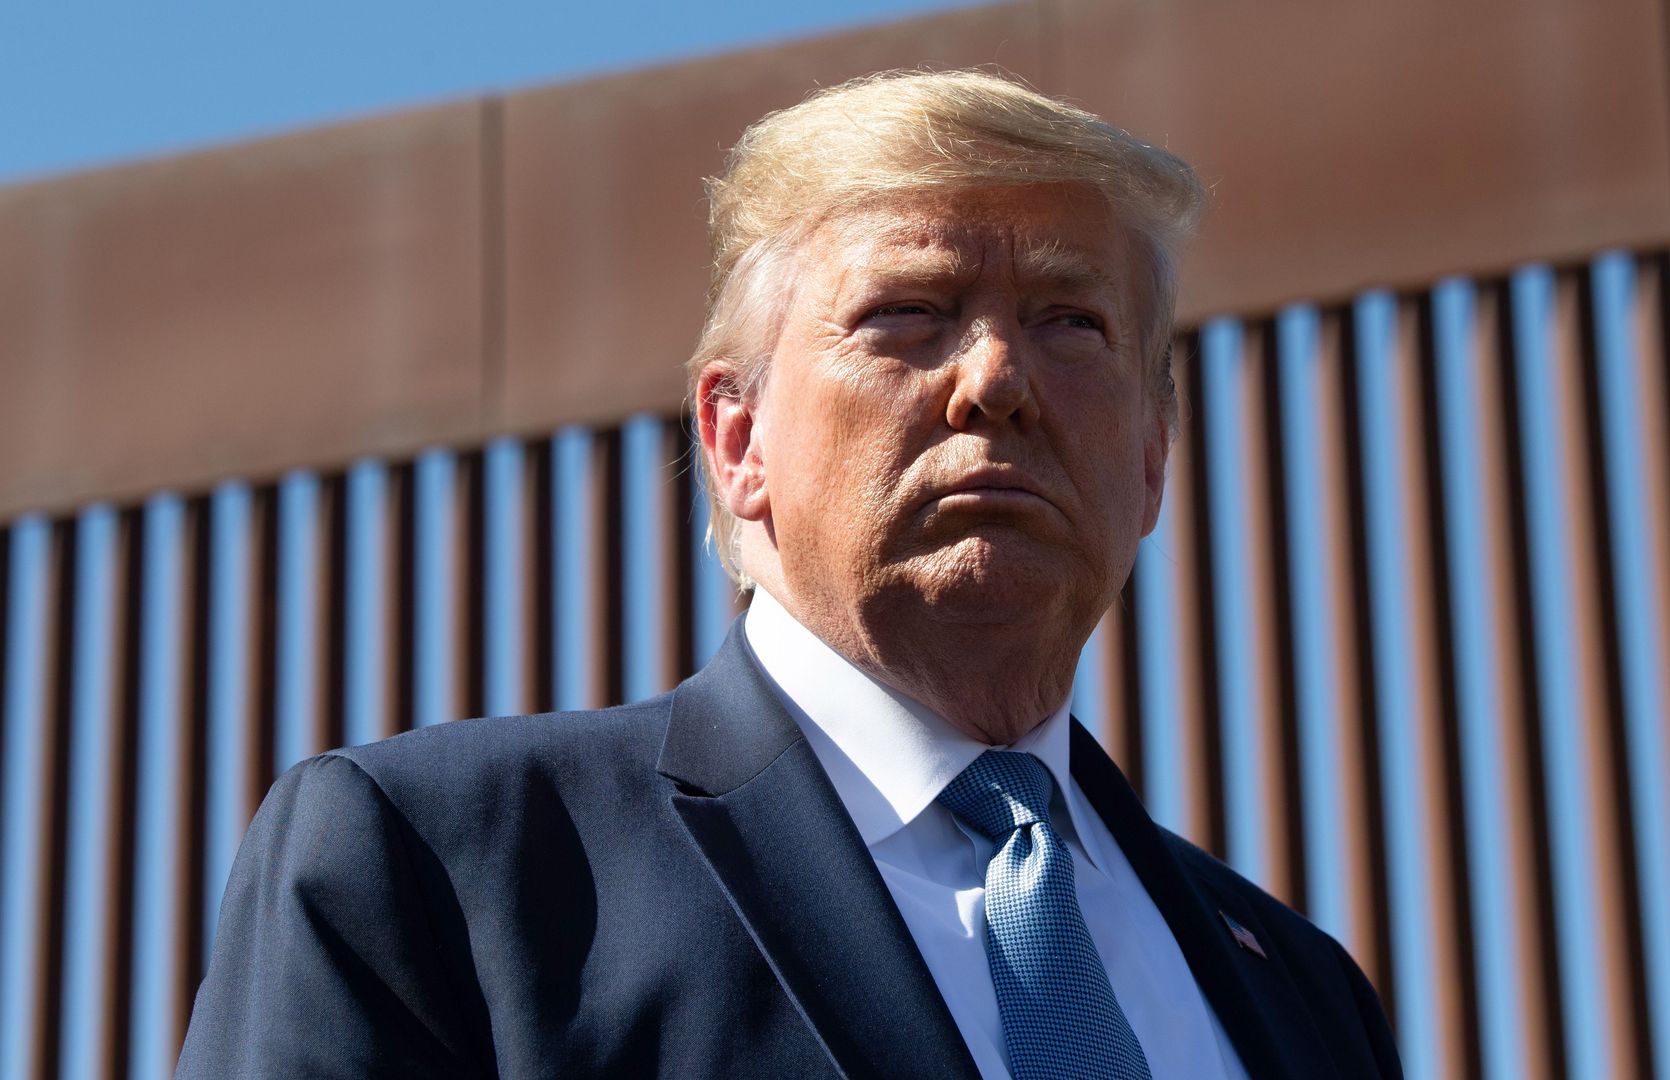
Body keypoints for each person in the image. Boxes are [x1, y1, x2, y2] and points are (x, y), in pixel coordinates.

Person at [177, 70, 1401, 1079]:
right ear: (738, 438)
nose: (996, 379)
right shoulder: (447, 868)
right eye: (910, 313)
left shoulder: (1305, 995)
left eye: (1071, 323)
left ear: (1151, 459)